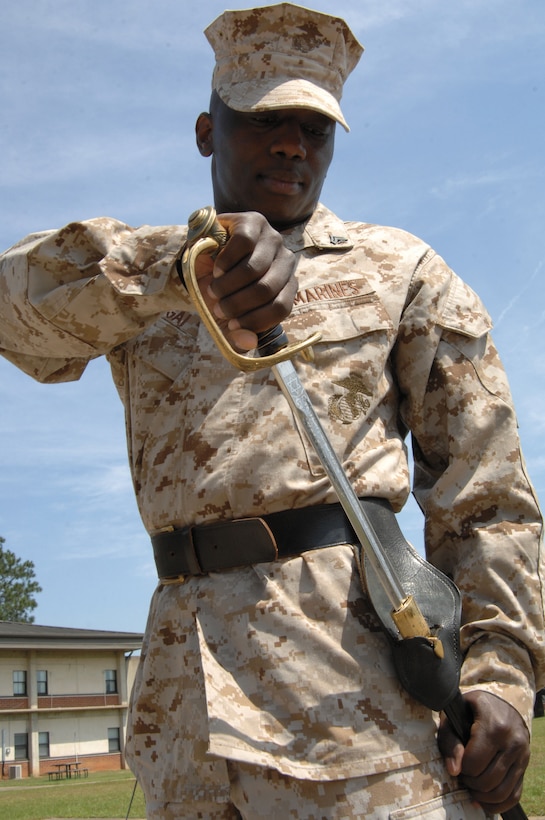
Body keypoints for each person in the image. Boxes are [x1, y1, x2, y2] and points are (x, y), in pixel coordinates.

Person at [1, 4, 543, 818]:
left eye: (314, 128)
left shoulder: (402, 272)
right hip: (184, 727)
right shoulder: (140, 282)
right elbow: (14, 310)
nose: (291, 144)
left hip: (354, 714)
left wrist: (501, 673)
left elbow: (487, 494)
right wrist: (174, 268)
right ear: (204, 131)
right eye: (261, 119)